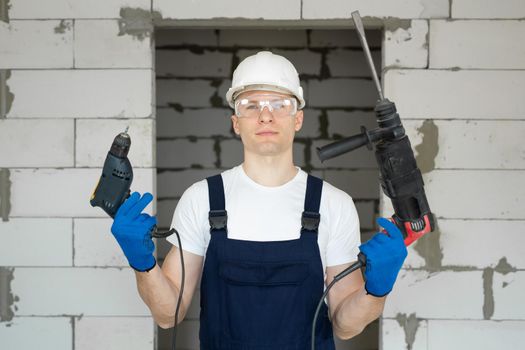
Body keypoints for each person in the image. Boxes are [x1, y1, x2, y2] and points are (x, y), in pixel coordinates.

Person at [110, 51, 407, 349]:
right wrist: (143, 265)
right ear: (236, 122)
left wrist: (376, 291)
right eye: (250, 105)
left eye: (280, 104)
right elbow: (168, 315)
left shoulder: (333, 204)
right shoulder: (201, 199)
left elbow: (345, 326)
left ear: (298, 118)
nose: (266, 115)